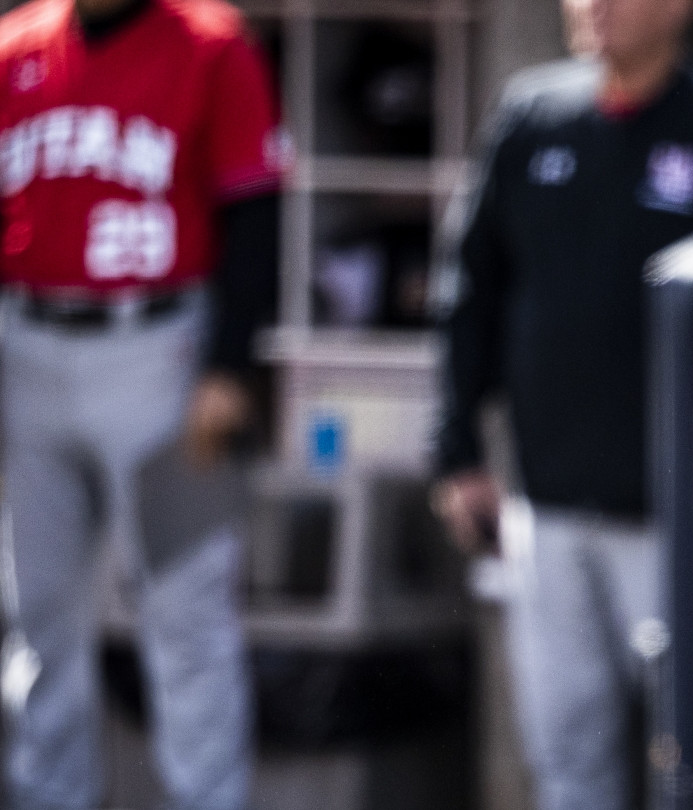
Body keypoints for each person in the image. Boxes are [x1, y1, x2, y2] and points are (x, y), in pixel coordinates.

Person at [430, 0, 693, 806]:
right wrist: (456, 452)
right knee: (563, 749)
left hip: (679, 511)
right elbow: (470, 289)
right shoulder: (532, 114)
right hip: (546, 502)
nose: (596, 7)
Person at [0, 0, 285, 807]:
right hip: (26, 347)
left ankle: (208, 798)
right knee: (39, 614)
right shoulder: (13, 44)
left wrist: (231, 368)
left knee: (189, 615)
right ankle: (47, 795)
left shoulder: (212, 42)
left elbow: (256, 215)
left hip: (165, 349)